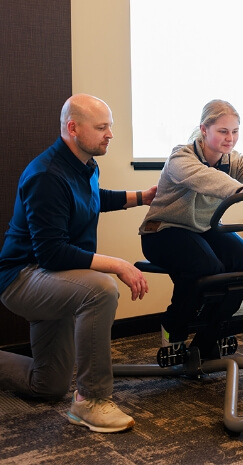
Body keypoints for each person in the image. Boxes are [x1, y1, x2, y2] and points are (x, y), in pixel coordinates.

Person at [0, 94, 157, 433]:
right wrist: (116, 264)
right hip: (23, 278)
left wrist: (141, 198)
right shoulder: (46, 175)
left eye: (109, 126)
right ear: (73, 128)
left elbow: (92, 199)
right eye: (101, 127)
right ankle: (91, 401)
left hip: (54, 277)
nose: (110, 134)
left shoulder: (85, 165)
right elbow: (52, 254)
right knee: (101, 289)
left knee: (48, 386)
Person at [139, 99, 243, 346]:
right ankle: (173, 328)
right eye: (223, 131)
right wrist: (242, 189)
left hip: (203, 230)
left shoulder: (233, 160)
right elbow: (207, 179)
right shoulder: (180, 157)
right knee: (206, 266)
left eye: (235, 132)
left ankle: (212, 335)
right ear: (204, 130)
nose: (230, 138)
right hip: (163, 232)